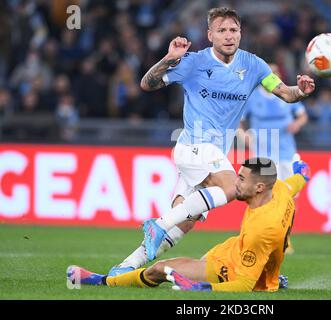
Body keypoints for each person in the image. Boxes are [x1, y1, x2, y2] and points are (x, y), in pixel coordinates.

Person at [108, 7, 315, 276]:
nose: (228, 36)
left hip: (212, 153)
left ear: (240, 33)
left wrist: (301, 90)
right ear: (210, 35)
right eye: (222, 31)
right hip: (192, 146)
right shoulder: (193, 62)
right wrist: (168, 59)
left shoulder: (254, 65)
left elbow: (285, 94)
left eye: (233, 30)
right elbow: (148, 84)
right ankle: (157, 225)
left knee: (184, 222)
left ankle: (124, 269)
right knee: (233, 188)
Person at [67, 156, 311, 292]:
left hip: (232, 268)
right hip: (232, 249)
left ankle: (100, 281)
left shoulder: (262, 229)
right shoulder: (278, 189)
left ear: (259, 187)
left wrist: (203, 289)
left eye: (241, 179)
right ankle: (270, 280)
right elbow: (296, 182)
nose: (234, 183)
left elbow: (244, 284)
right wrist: (302, 171)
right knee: (198, 261)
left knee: (161, 269)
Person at [240, 63, 308, 254]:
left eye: (276, 72)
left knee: (289, 197)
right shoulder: (253, 98)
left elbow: (302, 116)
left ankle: (285, 237)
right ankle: (259, 235)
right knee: (262, 196)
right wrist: (244, 135)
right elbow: (240, 120)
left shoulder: (286, 95)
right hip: (262, 156)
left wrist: (296, 124)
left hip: (286, 152)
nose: (274, 76)